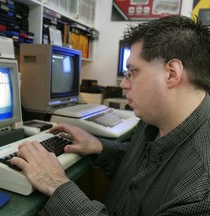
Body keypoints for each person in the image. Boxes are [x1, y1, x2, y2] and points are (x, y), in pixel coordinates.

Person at [11, 15, 210, 215]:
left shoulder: (202, 186)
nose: (123, 84)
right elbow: (142, 164)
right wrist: (100, 147)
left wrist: (56, 184)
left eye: (132, 72)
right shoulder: (156, 117)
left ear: (172, 73)